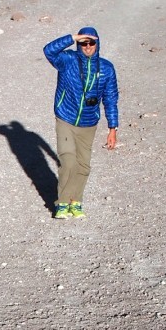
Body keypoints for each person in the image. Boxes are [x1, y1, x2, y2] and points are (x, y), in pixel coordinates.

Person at [43, 27, 119, 219]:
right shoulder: (67, 60)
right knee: (68, 161)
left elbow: (110, 99)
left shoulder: (107, 68)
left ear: (97, 44)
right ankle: (62, 204)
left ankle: (75, 202)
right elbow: (48, 50)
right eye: (83, 43)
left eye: (91, 42)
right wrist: (72, 37)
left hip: (89, 122)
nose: (87, 46)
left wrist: (112, 128)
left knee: (83, 165)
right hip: (66, 117)